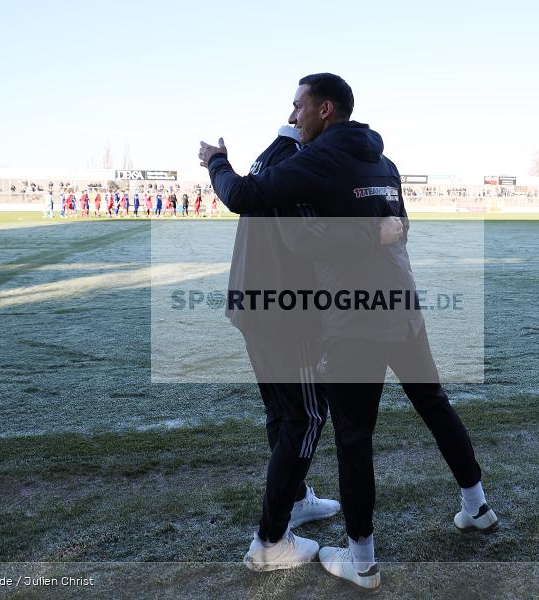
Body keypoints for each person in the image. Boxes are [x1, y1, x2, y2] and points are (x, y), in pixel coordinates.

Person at [200, 73, 497, 591]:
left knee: (353, 438)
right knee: (435, 405)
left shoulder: (317, 160)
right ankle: (478, 507)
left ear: (325, 111)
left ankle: (361, 561)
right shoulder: (385, 162)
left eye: (298, 107)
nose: (293, 117)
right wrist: (373, 232)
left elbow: (283, 226)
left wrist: (216, 162)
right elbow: (399, 225)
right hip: (405, 309)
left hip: (354, 319)